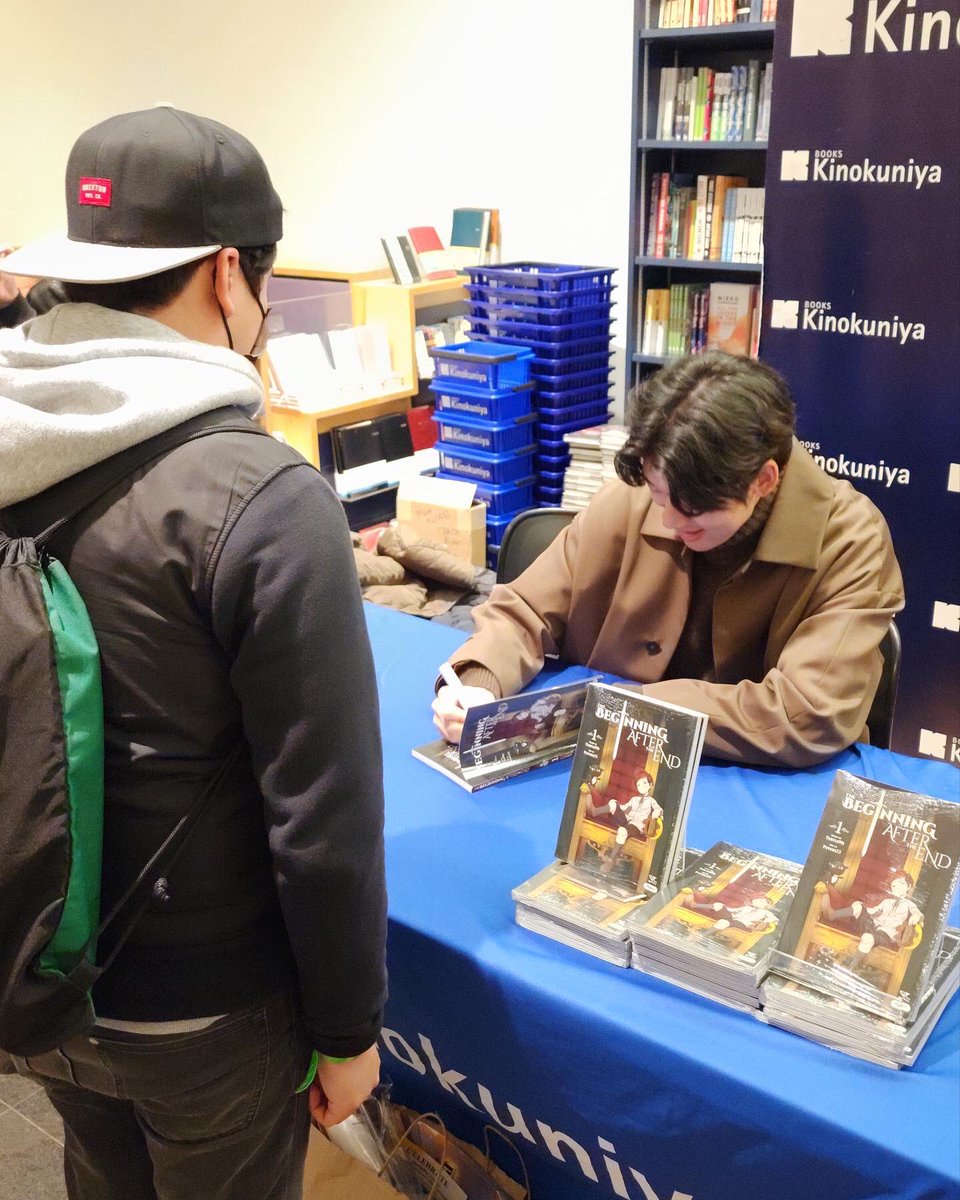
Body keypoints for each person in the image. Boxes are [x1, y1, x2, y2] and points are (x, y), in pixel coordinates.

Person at [0, 106, 386, 1200]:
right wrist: (348, 1028)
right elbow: (324, 817)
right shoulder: (261, 499)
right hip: (203, 1009)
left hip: (32, 969)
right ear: (228, 276)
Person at [432, 353, 904, 768]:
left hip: (755, 780)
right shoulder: (636, 498)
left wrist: (620, 708)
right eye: (660, 495)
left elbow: (804, 712)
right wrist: (479, 683)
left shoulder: (849, 541)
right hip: (607, 759)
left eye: (696, 510)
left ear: (764, 479)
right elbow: (525, 609)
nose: (670, 520)